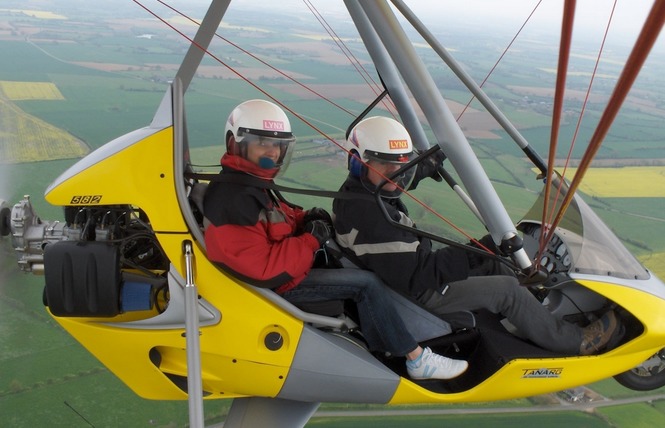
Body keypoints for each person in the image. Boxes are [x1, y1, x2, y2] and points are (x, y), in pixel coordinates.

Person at [202, 99, 468, 380]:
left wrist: (305, 218)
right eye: (262, 143)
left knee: (350, 266)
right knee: (366, 284)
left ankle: (381, 333)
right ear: (235, 144)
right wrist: (310, 241)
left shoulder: (247, 184)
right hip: (279, 286)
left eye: (277, 144)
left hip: (287, 272)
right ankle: (414, 357)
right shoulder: (232, 199)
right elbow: (263, 269)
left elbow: (276, 219)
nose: (272, 151)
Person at [332, 116, 621, 356]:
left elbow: (394, 176)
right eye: (386, 165)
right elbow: (417, 275)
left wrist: (427, 163)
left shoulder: (364, 190)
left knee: (495, 263)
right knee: (508, 290)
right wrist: (477, 248)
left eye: (402, 164)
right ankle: (575, 341)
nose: (396, 174)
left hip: (409, 274)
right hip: (417, 294)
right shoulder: (367, 215)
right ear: (357, 162)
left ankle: (537, 319)